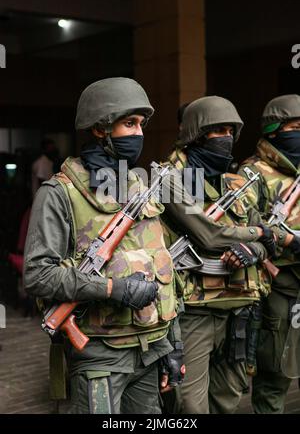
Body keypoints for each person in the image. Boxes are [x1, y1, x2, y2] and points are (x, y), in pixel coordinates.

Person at [24, 78, 184, 414]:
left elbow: (165, 269)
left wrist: (172, 344)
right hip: (100, 356)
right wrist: (113, 288)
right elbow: (38, 276)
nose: (139, 134)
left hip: (150, 347)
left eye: (141, 124)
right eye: (130, 124)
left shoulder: (139, 187)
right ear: (100, 129)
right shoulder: (59, 194)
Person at [160, 95, 279, 414]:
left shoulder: (235, 181)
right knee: (190, 404)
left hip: (239, 304)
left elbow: (270, 239)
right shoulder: (170, 180)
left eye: (230, 130)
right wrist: (256, 234)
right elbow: (208, 235)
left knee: (228, 397)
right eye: (218, 131)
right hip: (196, 308)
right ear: (197, 134)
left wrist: (251, 250)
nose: (226, 138)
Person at [239, 94, 300, 414]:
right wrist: (289, 240)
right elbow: (247, 226)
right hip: (279, 287)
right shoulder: (253, 172)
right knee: (274, 375)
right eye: (296, 126)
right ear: (275, 130)